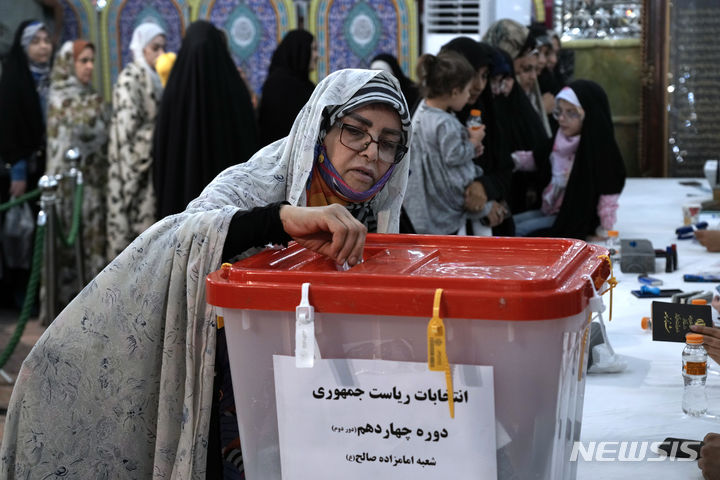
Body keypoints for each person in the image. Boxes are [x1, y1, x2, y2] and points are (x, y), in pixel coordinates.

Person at [0, 68, 411, 479]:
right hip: (232, 406)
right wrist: (282, 219)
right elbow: (186, 235)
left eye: (388, 143)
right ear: (322, 130)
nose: (371, 152)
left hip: (321, 404)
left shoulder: (378, 218)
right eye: (355, 131)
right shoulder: (256, 184)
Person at [153, 20, 257, 219]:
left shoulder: (173, 95)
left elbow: (161, 156)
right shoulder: (234, 92)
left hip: (180, 212)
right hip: (230, 214)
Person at [512, 81, 626, 239]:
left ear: (588, 114)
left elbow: (608, 193)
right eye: (559, 111)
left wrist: (604, 228)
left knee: (517, 232)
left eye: (571, 113)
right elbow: (537, 158)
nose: (562, 119)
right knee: (508, 224)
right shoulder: (559, 140)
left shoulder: (599, 149)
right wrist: (512, 161)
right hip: (550, 209)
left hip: (572, 219)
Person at [45, 39, 109, 308]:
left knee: (90, 245)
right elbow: (78, 132)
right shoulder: (59, 97)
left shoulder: (93, 96)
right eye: (83, 60)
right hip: (65, 189)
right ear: (68, 64)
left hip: (92, 185)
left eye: (91, 60)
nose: (89, 66)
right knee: (65, 245)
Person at [402, 50, 487, 235]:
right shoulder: (446, 122)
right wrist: (473, 142)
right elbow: (453, 155)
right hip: (445, 199)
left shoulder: (422, 113)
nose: (468, 97)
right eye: (466, 91)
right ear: (455, 91)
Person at [0, 20, 52, 310]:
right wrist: (17, 170)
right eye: (36, 41)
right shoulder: (14, 79)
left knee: (39, 232)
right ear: (24, 47)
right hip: (19, 172)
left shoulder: (50, 79)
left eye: (46, 39)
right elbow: (8, 128)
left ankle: (38, 291)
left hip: (46, 168)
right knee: (20, 233)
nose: (44, 46)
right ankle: (19, 294)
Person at [441, 37, 515, 235]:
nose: (479, 85)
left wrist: (485, 188)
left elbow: (505, 168)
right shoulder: (431, 118)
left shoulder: (484, 111)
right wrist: (483, 206)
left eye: (484, 76)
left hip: (489, 229)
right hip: (441, 229)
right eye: (472, 75)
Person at [106, 22, 166, 259]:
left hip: (152, 169)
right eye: (155, 48)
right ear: (142, 48)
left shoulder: (156, 77)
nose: (161, 54)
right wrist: (162, 132)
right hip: (135, 172)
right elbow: (126, 135)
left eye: (163, 47)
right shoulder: (130, 79)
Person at [257, 29, 317, 147]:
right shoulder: (279, 85)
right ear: (300, 50)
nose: (316, 55)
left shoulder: (304, 85)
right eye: (313, 49)